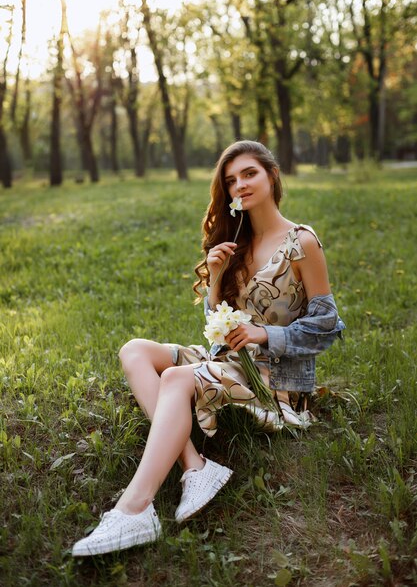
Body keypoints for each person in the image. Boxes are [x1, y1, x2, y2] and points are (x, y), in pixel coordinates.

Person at [72, 140, 345, 556]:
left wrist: (264, 335)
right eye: (231, 180)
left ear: (272, 175)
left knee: (178, 378)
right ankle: (195, 467)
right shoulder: (234, 241)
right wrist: (216, 277)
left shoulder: (301, 242)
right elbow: (216, 329)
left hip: (276, 377)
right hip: (228, 360)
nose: (240, 185)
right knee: (135, 350)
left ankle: (134, 509)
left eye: (249, 174)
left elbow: (326, 327)